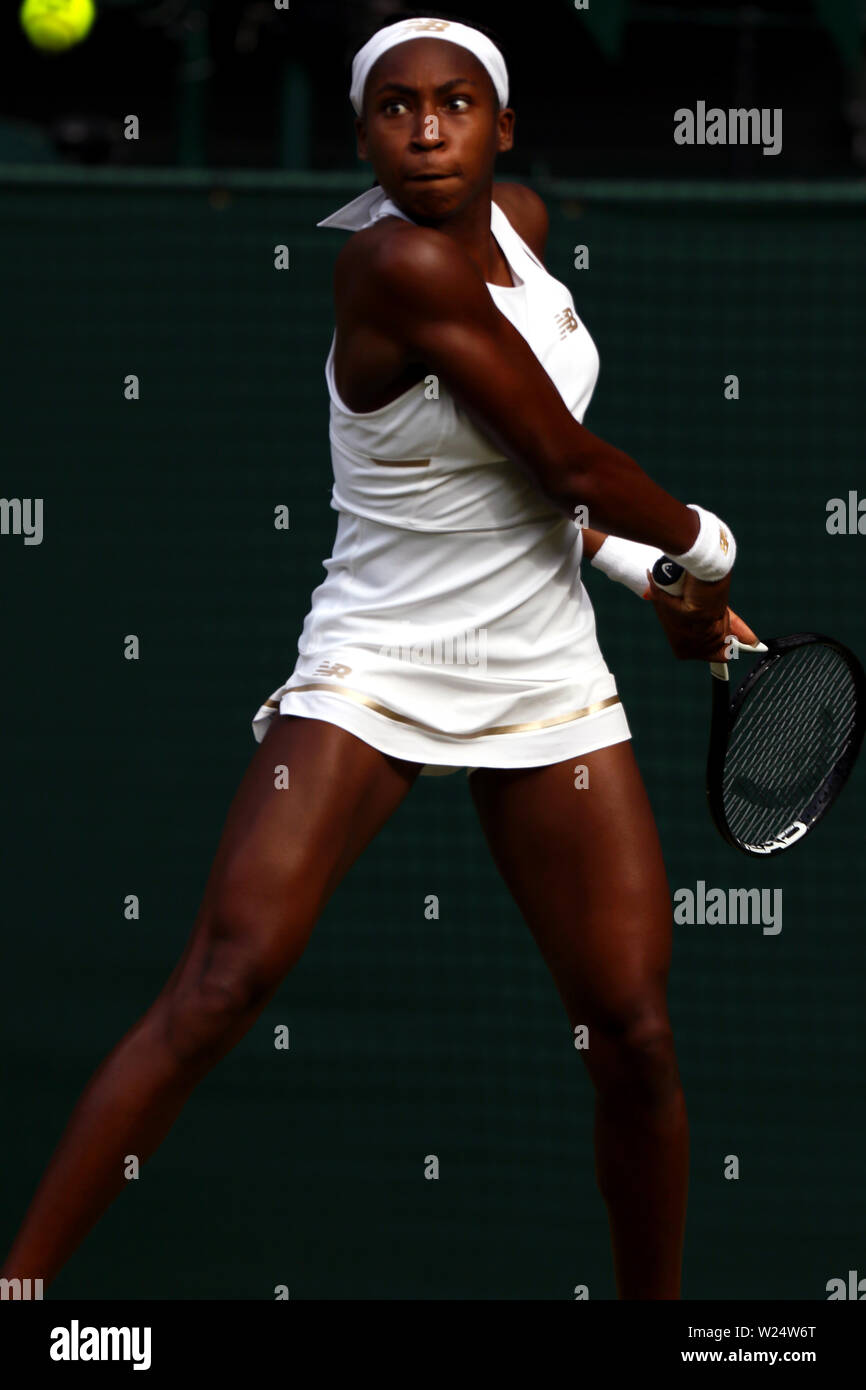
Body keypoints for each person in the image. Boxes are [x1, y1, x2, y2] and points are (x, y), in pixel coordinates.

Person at [1, 11, 760, 1300]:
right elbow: (570, 464)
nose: (425, 129)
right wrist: (711, 553)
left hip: (544, 674)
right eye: (395, 108)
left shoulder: (519, 220)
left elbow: (527, 493)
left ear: (502, 125)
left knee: (633, 1035)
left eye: (455, 103)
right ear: (361, 138)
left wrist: (642, 573)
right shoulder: (390, 269)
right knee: (224, 982)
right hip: (375, 662)